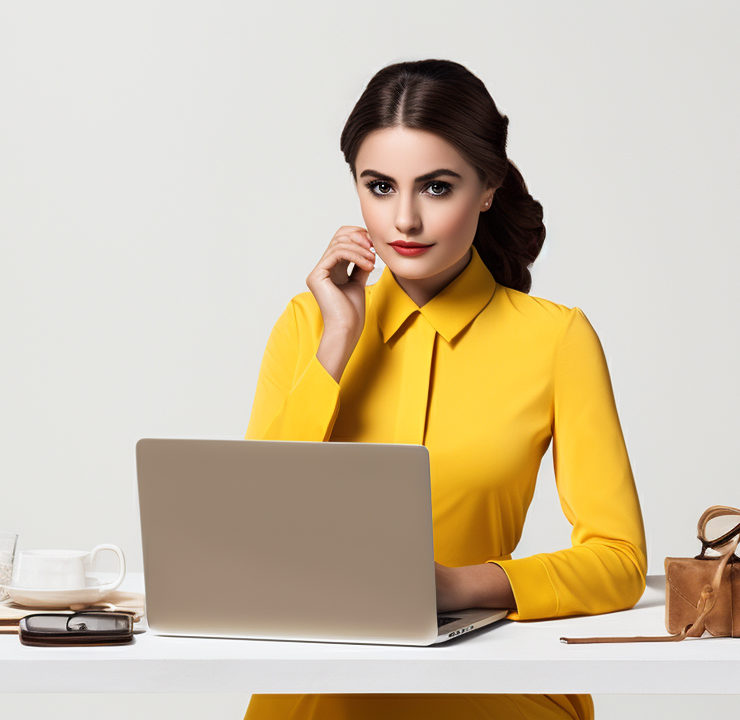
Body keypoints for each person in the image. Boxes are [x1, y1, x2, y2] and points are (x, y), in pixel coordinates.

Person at [241, 58, 647, 720]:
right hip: (319, 687)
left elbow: (619, 561)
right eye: (378, 186)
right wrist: (336, 344)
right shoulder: (307, 326)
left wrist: (459, 586)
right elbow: (248, 533)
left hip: (487, 684)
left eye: (435, 188)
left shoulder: (556, 338)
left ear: (487, 187)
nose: (403, 220)